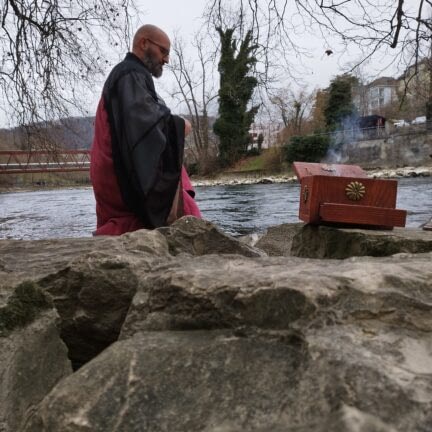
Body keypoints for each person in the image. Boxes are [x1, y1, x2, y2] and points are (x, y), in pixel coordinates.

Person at [90, 24, 201, 236]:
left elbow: (141, 120)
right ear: (144, 43)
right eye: (164, 51)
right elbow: (143, 123)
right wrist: (178, 126)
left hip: (107, 168)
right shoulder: (129, 73)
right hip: (116, 172)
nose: (166, 59)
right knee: (187, 214)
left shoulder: (129, 75)